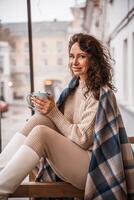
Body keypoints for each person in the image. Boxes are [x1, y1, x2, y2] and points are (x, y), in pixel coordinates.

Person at [0, 33, 134, 200]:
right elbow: (60, 125)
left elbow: (83, 139)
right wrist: (46, 110)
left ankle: (1, 190)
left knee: (41, 133)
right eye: (72, 56)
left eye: (81, 56)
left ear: (93, 60)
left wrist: (54, 112)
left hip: (93, 166)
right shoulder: (73, 88)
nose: (74, 62)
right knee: (39, 120)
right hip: (74, 155)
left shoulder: (99, 94)